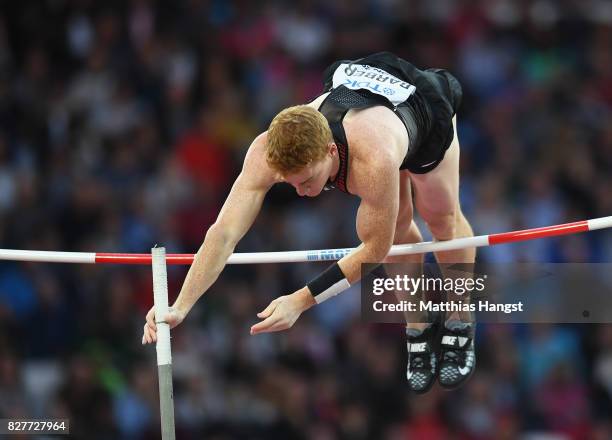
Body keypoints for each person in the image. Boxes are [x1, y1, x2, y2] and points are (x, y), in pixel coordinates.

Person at [142, 52, 477, 392]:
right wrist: (180, 305)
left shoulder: (373, 160)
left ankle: (459, 320)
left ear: (331, 152)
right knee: (400, 226)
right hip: (362, 96)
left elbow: (376, 248)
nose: (301, 193)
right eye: (291, 183)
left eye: (307, 180)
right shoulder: (265, 151)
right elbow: (224, 233)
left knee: (441, 220)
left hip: (419, 112)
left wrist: (300, 300)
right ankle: (419, 326)